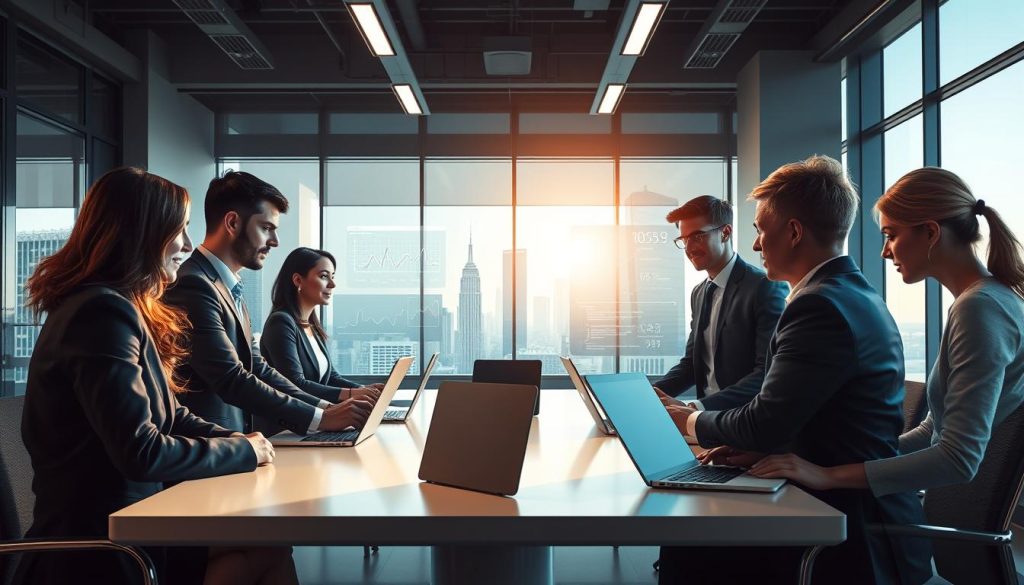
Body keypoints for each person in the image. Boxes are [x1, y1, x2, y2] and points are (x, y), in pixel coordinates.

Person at [658, 156, 932, 585]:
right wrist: (757, 445)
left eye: (760, 231)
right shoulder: (851, 292)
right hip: (838, 499)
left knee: (690, 544)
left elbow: (766, 421)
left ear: (793, 232)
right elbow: (810, 415)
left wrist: (689, 421)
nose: (755, 246)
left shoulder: (817, 305)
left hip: (849, 530)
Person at [15, 167, 289, 585]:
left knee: (267, 546)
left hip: (136, 524)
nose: (184, 243)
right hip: (101, 547)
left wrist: (240, 441)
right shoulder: (100, 313)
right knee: (263, 552)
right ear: (142, 233)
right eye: (177, 230)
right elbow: (140, 451)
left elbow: (172, 414)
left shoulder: (121, 307)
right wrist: (244, 453)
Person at [746, 167, 1024, 497]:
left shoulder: (980, 308)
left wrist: (829, 475)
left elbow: (958, 458)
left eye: (891, 235)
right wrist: (809, 461)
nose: (885, 251)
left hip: (924, 518)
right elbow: (932, 430)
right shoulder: (985, 300)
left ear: (931, 233)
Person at [163, 171, 377, 437]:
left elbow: (258, 368)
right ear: (232, 223)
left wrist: (325, 410)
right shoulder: (193, 284)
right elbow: (231, 378)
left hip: (235, 445)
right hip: (207, 447)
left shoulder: (230, 288)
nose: (274, 242)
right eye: (266, 228)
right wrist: (321, 418)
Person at [653, 195, 787, 412]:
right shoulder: (699, 293)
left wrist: (697, 408)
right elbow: (691, 365)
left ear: (725, 233)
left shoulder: (764, 287)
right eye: (684, 240)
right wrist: (648, 394)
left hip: (742, 422)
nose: (689, 248)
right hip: (703, 423)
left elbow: (766, 372)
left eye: (697, 236)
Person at [260, 247, 381, 399]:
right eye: (324, 276)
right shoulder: (280, 323)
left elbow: (331, 377)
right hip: (290, 421)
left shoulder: (311, 326)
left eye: (333, 276)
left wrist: (366, 390)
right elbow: (296, 384)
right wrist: (353, 394)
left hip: (318, 416)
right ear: (298, 280)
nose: (332, 284)